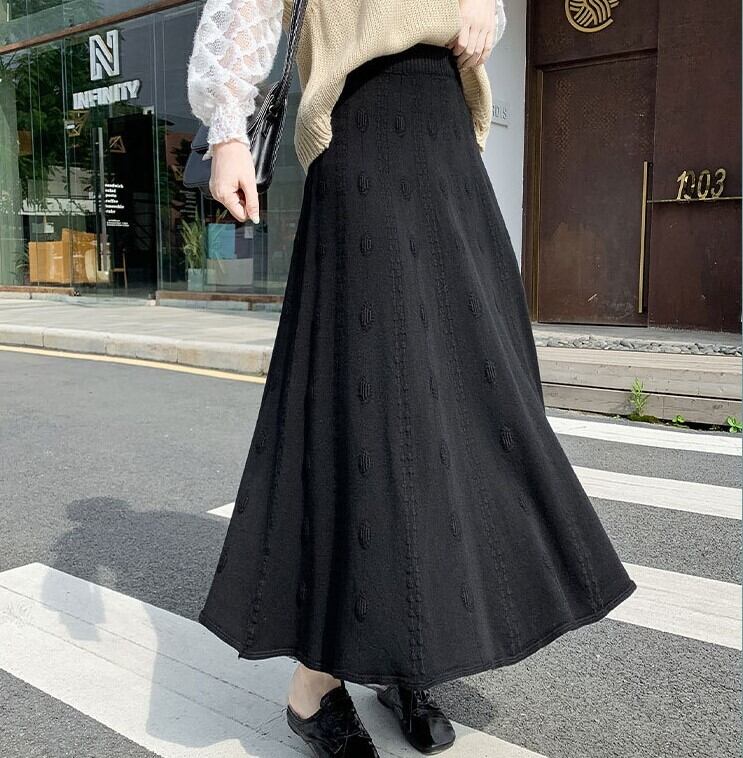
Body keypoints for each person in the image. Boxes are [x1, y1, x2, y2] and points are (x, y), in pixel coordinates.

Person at [186, 1, 638, 755]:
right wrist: (228, 132)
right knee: (375, 403)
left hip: (447, 134)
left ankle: (407, 651)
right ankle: (315, 683)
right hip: (361, 122)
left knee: (461, 404)